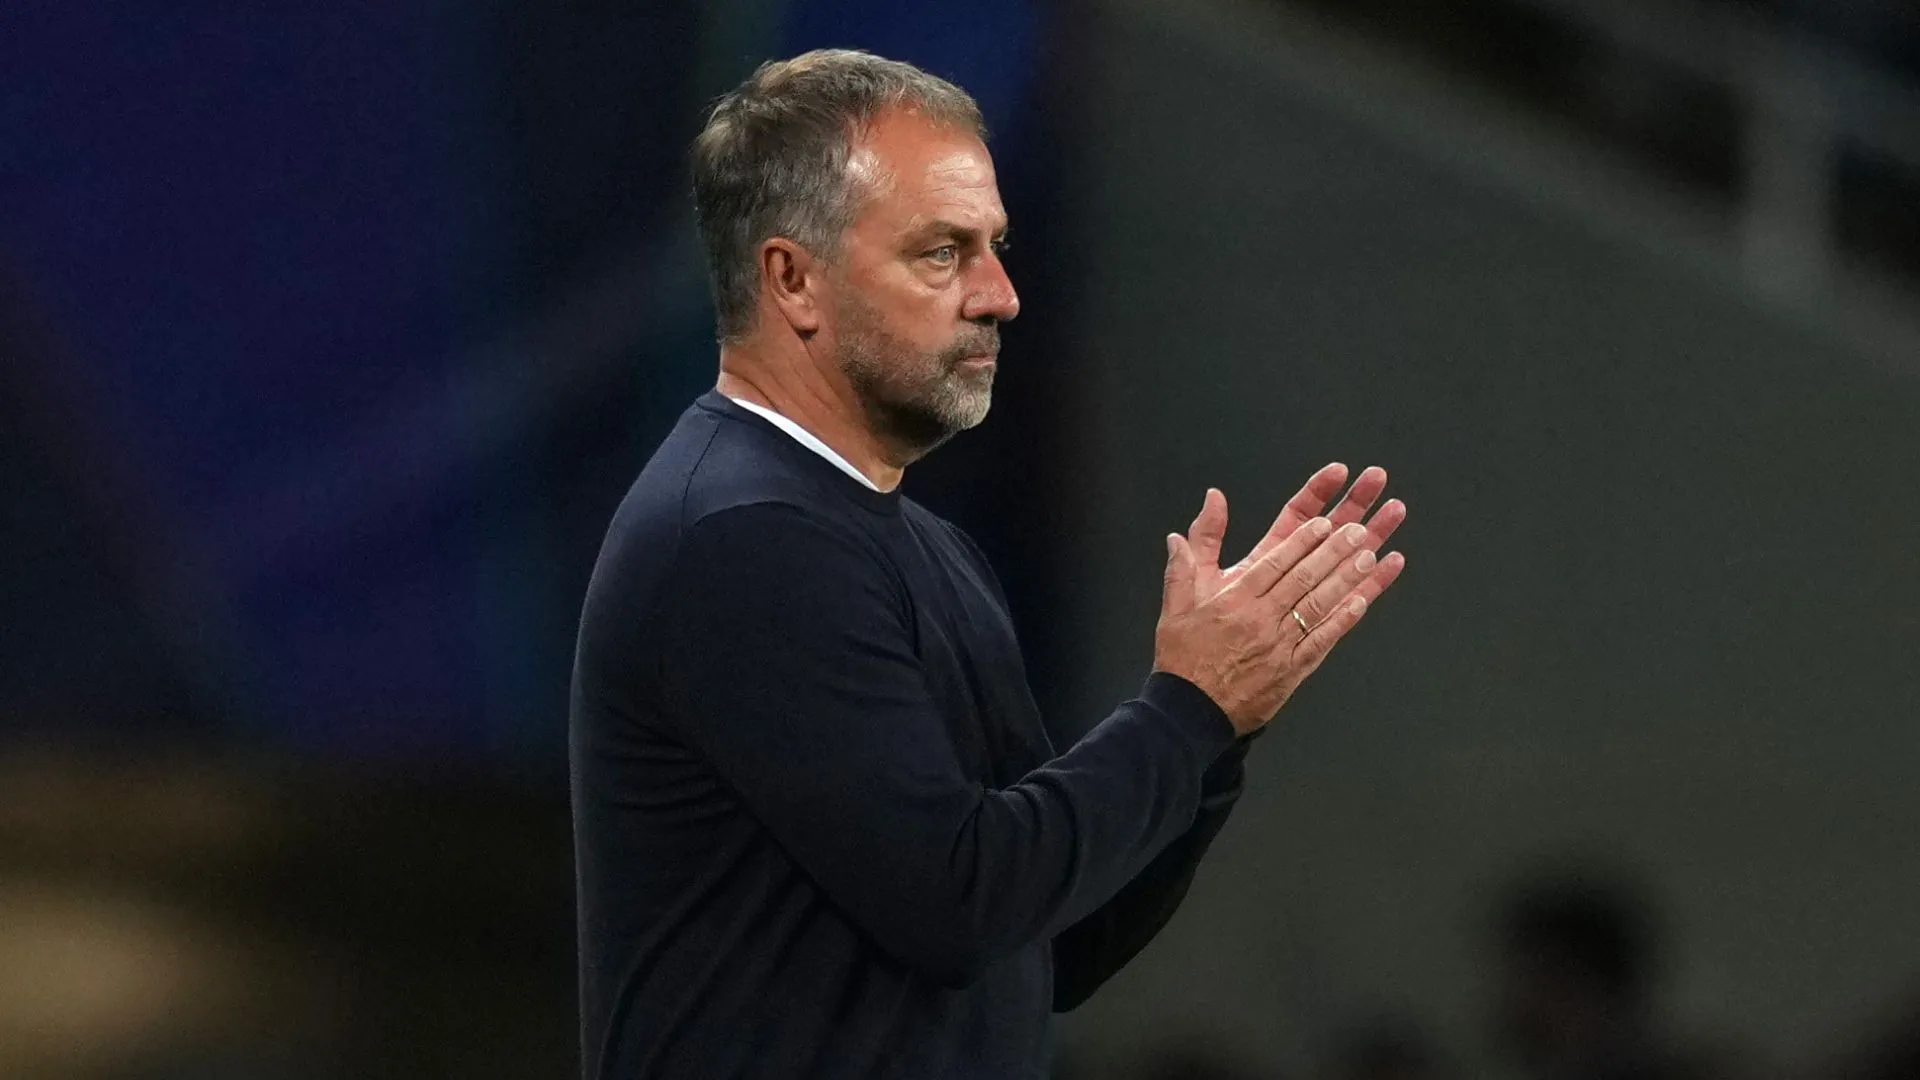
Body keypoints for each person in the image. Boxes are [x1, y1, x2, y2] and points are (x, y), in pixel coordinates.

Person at [568, 48, 1408, 1079]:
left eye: (998, 247)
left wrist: (1218, 729)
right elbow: (962, 903)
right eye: (942, 253)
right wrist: (1188, 707)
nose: (1002, 295)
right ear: (793, 279)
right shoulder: (743, 536)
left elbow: (1046, 940)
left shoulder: (921, 546)